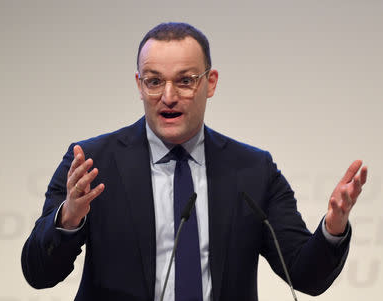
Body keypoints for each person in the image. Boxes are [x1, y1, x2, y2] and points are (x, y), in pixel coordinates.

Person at [21, 22, 368, 301]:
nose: (168, 96)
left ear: (210, 82)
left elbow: (305, 276)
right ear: (139, 86)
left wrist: (333, 228)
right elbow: (38, 274)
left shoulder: (252, 170)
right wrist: (67, 220)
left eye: (185, 81)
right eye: (155, 82)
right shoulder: (92, 163)